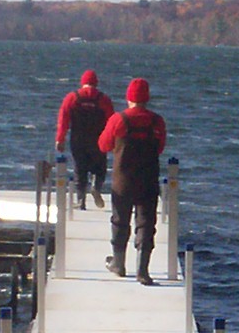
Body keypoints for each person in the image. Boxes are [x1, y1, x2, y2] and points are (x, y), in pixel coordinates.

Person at [98, 77, 169, 284]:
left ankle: (118, 264)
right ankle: (143, 271)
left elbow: (103, 145)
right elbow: (160, 147)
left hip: (123, 181)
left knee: (120, 221)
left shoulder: (119, 120)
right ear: (146, 98)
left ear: (129, 97)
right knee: (146, 223)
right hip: (148, 179)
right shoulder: (157, 121)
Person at [53, 68, 116, 209]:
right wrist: (112, 141)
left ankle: (81, 200)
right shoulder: (103, 99)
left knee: (79, 169)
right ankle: (96, 187)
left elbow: (63, 119)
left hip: (78, 140)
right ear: (96, 83)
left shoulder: (72, 97)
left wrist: (60, 139)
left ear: (82, 83)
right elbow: (112, 121)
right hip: (98, 140)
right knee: (99, 167)